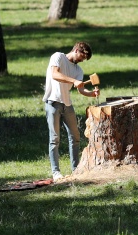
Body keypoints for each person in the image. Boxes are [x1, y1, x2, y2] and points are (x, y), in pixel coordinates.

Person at [42, 41, 99, 180]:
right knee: (54, 139)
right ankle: (56, 172)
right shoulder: (58, 57)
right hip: (52, 102)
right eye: (82, 56)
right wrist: (73, 81)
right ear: (77, 50)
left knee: (75, 137)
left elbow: (80, 89)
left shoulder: (78, 70)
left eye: (84, 59)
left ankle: (76, 169)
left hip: (67, 104)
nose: (82, 60)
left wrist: (91, 93)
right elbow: (55, 74)